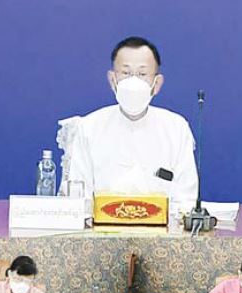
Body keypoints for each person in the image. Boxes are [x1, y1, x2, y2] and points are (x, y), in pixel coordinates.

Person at [65, 36, 198, 214]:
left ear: (157, 84)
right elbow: (79, 199)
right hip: (101, 228)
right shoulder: (89, 127)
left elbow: (186, 199)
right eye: (126, 73)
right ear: (112, 80)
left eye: (142, 74)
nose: (133, 82)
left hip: (162, 229)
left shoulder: (176, 128)